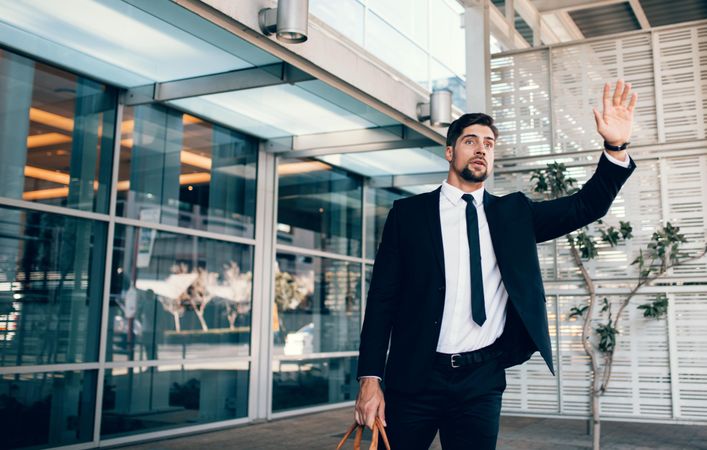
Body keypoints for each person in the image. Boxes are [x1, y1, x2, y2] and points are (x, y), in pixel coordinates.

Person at [354, 80, 638, 450]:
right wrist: (370, 379)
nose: (481, 149)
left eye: (488, 144)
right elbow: (382, 300)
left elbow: (587, 206)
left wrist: (615, 147)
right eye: (471, 140)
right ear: (449, 151)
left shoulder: (514, 214)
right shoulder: (408, 214)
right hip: (415, 377)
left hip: (480, 380)